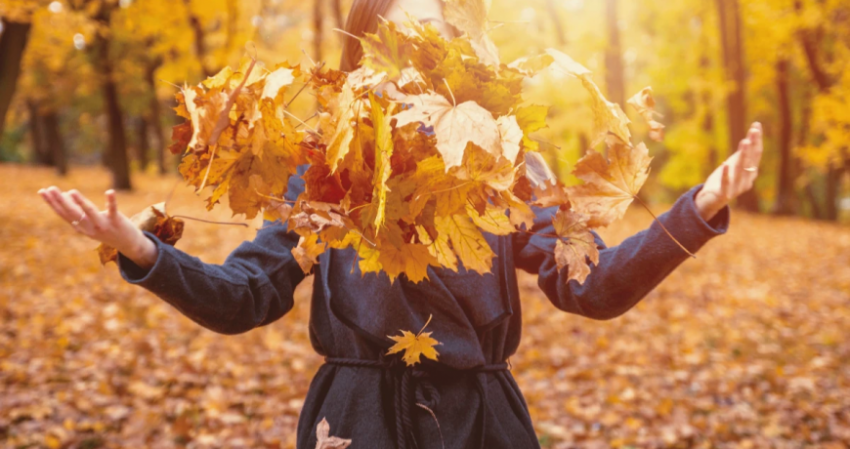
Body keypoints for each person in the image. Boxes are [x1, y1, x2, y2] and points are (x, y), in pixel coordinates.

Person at [37, 0, 765, 447]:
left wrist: (696, 212)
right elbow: (245, 295)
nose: (420, 64)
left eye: (439, 40)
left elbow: (593, 285)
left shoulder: (506, 166)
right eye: (402, 43)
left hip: (484, 421)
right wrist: (140, 249)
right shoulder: (325, 170)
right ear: (363, 55)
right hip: (360, 421)